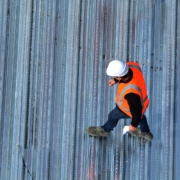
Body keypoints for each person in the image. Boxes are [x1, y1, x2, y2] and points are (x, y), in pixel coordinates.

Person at [86, 60, 153, 141]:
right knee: (141, 117)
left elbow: (136, 113)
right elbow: (125, 74)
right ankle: (146, 133)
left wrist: (133, 125)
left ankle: (104, 131)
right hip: (142, 102)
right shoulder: (132, 65)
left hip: (126, 109)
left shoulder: (131, 93)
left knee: (112, 116)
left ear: (120, 76)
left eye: (115, 76)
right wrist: (116, 80)